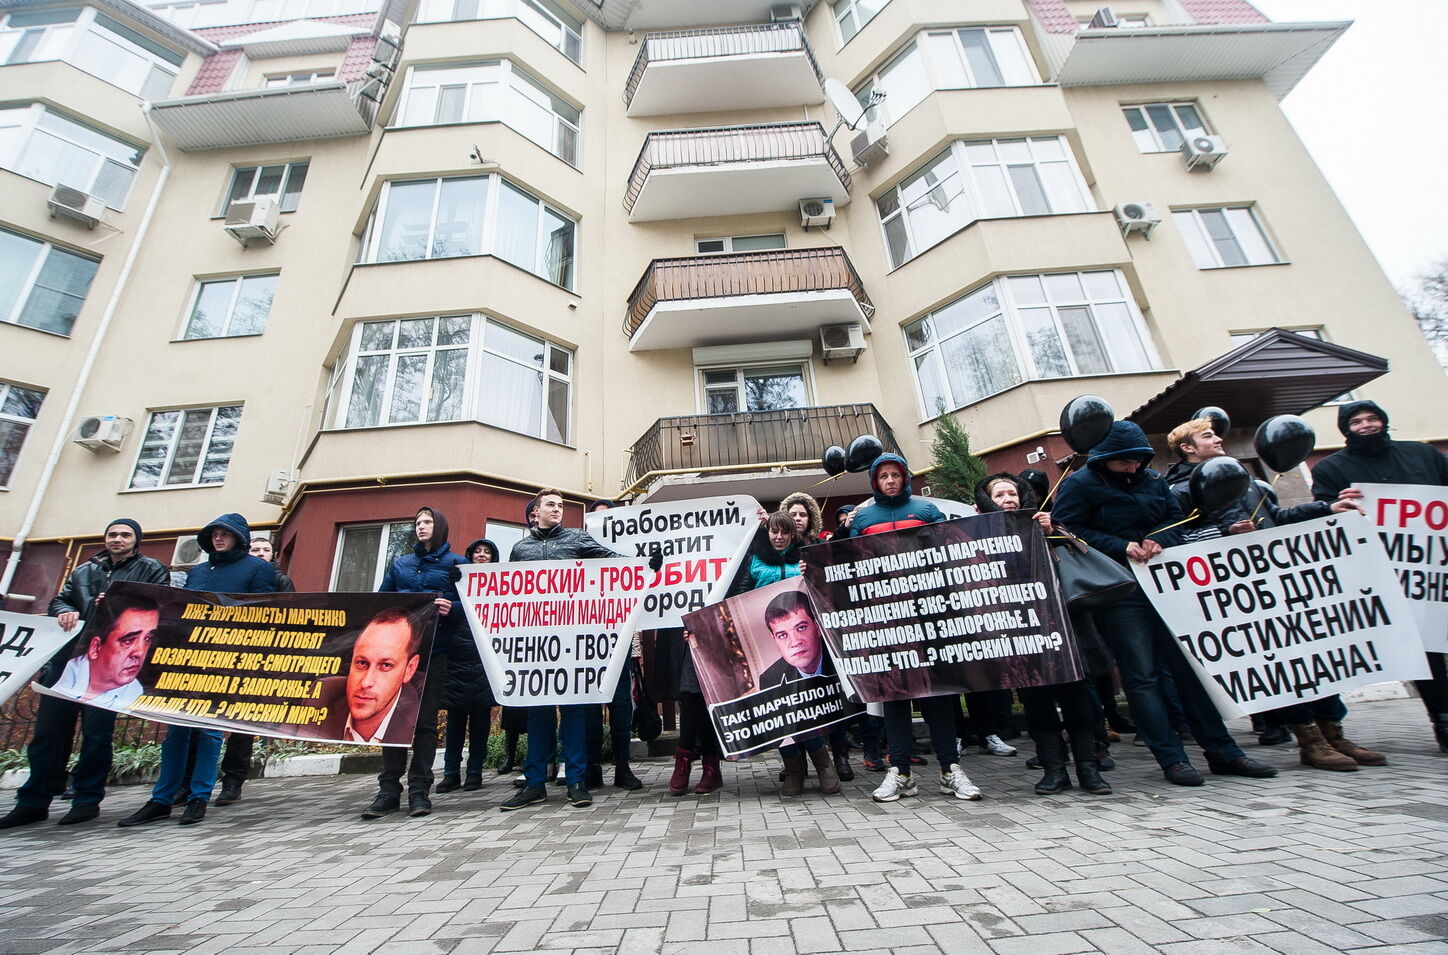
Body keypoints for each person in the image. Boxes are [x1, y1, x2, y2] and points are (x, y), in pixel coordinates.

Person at [1052, 422, 1278, 786]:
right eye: (1123, 462)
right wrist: (1120, 545)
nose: (1132, 468)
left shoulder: (1154, 481)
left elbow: (1177, 519)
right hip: (1120, 591)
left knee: (1191, 672)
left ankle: (1223, 751)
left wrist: (1159, 540)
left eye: (1137, 461)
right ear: (1103, 460)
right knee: (1142, 676)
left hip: (1167, 586)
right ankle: (1171, 758)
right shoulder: (1079, 485)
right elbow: (1067, 530)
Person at [1164, 416, 1382, 771]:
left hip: (1277, 585)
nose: (1217, 438)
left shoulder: (1248, 481)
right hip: (1234, 594)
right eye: (1207, 436)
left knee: (1313, 656)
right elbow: (1177, 539)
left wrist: (1326, 508)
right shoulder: (1177, 490)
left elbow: (1276, 517)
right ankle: (1309, 739)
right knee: (1281, 665)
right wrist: (1224, 535)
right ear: (1187, 448)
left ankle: (1334, 733)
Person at [0, 521, 169, 831]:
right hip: (67, 664)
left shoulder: (151, 568)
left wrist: (116, 606)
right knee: (48, 736)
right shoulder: (84, 571)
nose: (117, 539)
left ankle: (86, 799)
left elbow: (161, 603)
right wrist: (64, 610)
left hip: (110, 670)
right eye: (112, 534)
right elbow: (59, 600)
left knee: (97, 735)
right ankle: (33, 802)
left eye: (125, 535)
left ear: (136, 540)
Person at [501, 489, 658, 812]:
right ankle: (534, 785)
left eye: (560, 505)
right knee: (538, 712)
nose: (557, 509)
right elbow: (504, 588)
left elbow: (612, 562)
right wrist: (462, 578)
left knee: (573, 709)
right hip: (535, 641)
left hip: (571, 641)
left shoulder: (577, 539)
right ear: (536, 512)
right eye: (551, 505)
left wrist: (644, 564)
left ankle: (576, 780)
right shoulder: (520, 549)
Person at [119, 514, 277, 828]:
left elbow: (265, 610)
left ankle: (199, 797)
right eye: (214, 534)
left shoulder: (257, 569)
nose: (218, 539)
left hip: (226, 658)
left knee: (209, 730)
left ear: (239, 538)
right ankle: (162, 799)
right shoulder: (199, 571)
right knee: (175, 730)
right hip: (186, 659)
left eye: (225, 534)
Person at [1311, 400, 1448, 753]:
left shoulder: (1423, 455)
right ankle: (1443, 720)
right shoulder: (1331, 468)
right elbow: (1323, 517)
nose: (1367, 425)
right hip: (1391, 575)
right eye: (1357, 421)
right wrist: (1337, 506)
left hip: (1440, 565)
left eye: (1373, 419)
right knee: (1427, 654)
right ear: (1346, 429)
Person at [850, 453, 982, 803]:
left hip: (929, 615)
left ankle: (949, 770)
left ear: (906, 478)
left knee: (937, 691)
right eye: (884, 477)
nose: (890, 481)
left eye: (896, 475)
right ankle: (901, 772)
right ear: (874, 483)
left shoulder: (925, 510)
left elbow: (947, 552)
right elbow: (845, 562)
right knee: (895, 694)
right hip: (887, 618)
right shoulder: (862, 518)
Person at [975, 474, 1110, 796]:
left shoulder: (1046, 525)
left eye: (1012, 492)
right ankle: (1054, 770)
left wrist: (1051, 533)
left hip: (1061, 628)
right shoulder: (977, 532)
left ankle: (1089, 770)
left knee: (1077, 699)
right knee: (1038, 702)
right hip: (1022, 631)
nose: (1008, 498)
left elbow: (1079, 555)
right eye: (999, 494)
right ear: (986, 501)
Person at [360, 506, 462, 819]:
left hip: (434, 653)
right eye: (417, 522)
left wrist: (452, 608)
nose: (421, 526)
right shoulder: (401, 563)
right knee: (393, 721)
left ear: (440, 526)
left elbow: (472, 605)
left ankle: (420, 791)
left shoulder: (457, 563)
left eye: (428, 522)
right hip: (397, 655)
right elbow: (380, 601)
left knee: (425, 724)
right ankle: (388, 790)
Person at [202, 536, 296, 807]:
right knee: (208, 720)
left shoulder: (280, 581)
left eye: (266, 550)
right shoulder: (230, 576)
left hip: (256, 660)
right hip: (220, 656)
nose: (261, 554)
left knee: (242, 722)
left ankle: (233, 780)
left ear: (274, 556)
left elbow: (287, 616)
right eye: (256, 549)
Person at [581, 501, 643, 792]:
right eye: (597, 515)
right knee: (590, 709)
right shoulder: (577, 549)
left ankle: (623, 766)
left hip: (619, 645)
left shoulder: (628, 552)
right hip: (587, 645)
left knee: (621, 708)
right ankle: (592, 767)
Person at [437, 538, 498, 793]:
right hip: (458, 659)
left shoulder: (498, 585)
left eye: (487, 552)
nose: (481, 556)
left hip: (485, 661)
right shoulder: (457, 580)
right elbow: (446, 608)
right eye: (477, 552)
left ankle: (475, 771)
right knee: (455, 719)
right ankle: (451, 772)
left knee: (481, 719)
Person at [319, 608, 426, 744]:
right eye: (362, 663)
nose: (366, 682)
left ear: (410, 669)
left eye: (386, 665)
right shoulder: (321, 698)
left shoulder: (418, 715)